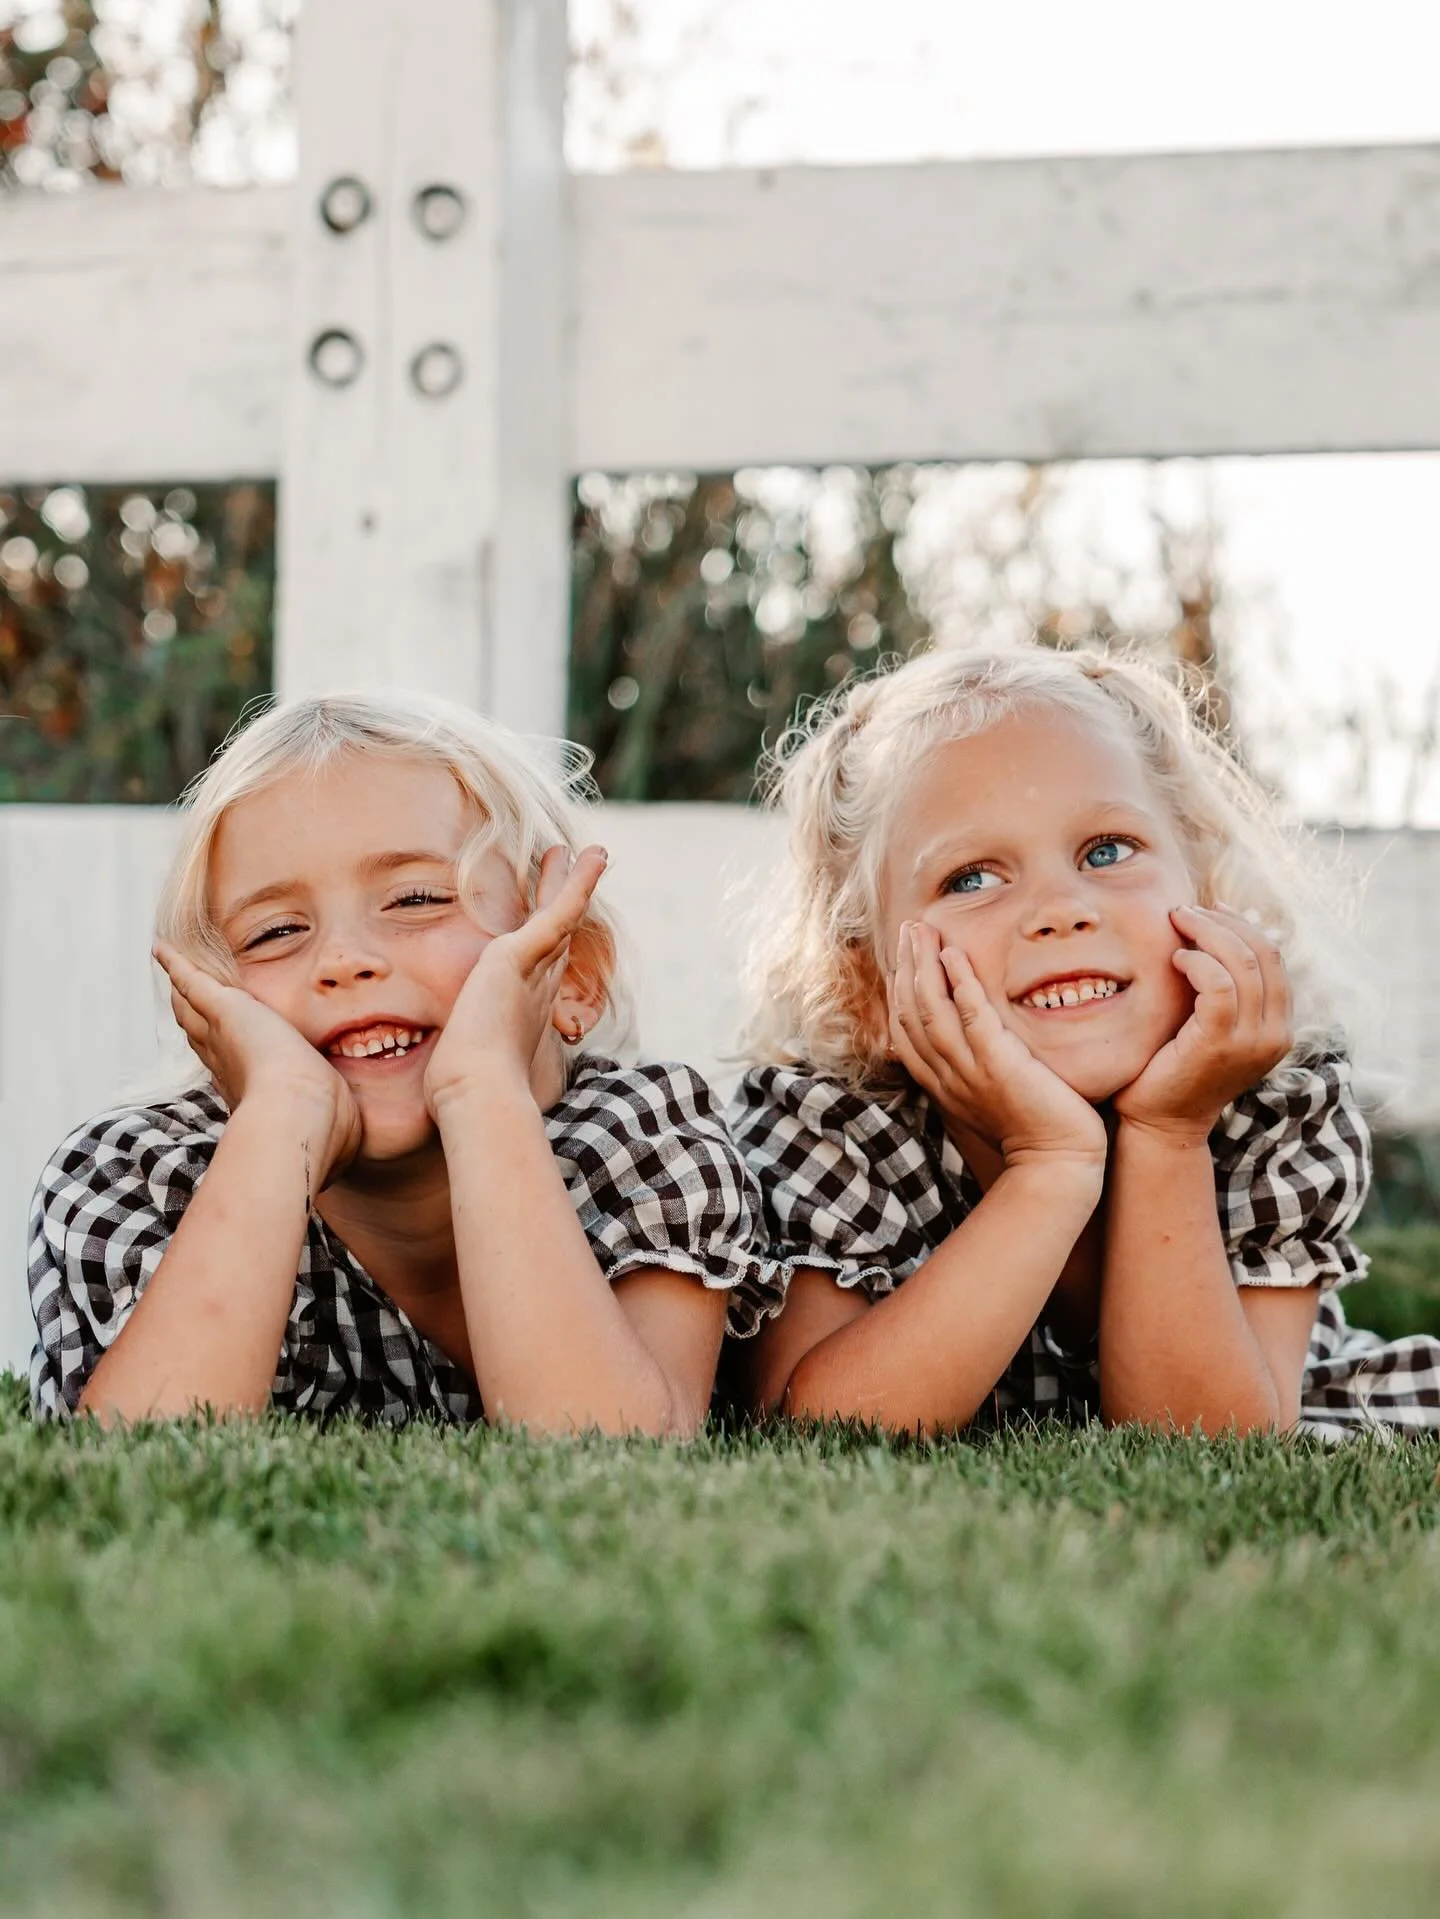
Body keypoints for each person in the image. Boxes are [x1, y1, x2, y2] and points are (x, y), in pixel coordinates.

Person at [726, 643, 1440, 1440]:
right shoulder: (837, 1126)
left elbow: (1212, 1444)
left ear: (1205, 892)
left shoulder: (1268, 1098)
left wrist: (1169, 1133)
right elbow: (820, 1430)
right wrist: (1050, 1167)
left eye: (1106, 851)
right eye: (972, 877)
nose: (1062, 908)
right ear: (867, 989)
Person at [30, 693, 768, 1434]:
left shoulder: (642, 1139)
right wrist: (282, 1111)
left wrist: (481, 1088)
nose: (345, 960)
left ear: (570, 971)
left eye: (415, 899)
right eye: (276, 931)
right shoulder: (137, 1175)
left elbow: (612, 1459)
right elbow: (142, 1471)